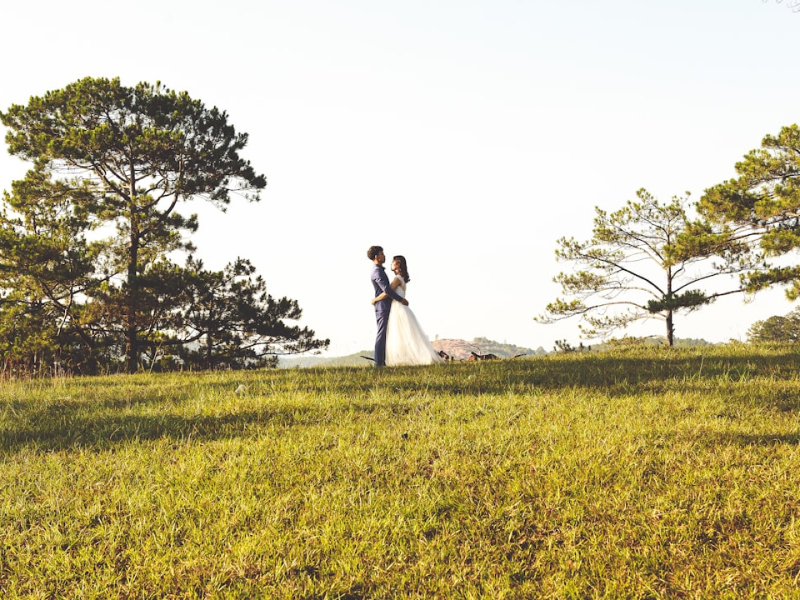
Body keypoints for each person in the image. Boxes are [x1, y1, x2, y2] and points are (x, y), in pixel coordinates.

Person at [372, 255, 444, 366]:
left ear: (398, 264)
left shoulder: (397, 279)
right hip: (399, 308)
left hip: (398, 308)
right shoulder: (401, 278)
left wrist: (375, 299)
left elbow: (387, 292)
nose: (391, 263)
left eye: (393, 262)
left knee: (400, 334)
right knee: (404, 334)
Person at [368, 245, 407, 367]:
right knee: (382, 333)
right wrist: (401, 299)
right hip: (382, 307)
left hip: (386, 305)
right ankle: (379, 363)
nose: (384, 256)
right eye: (382, 254)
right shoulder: (377, 272)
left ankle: (382, 361)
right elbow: (387, 290)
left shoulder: (380, 270)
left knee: (385, 334)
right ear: (376, 257)